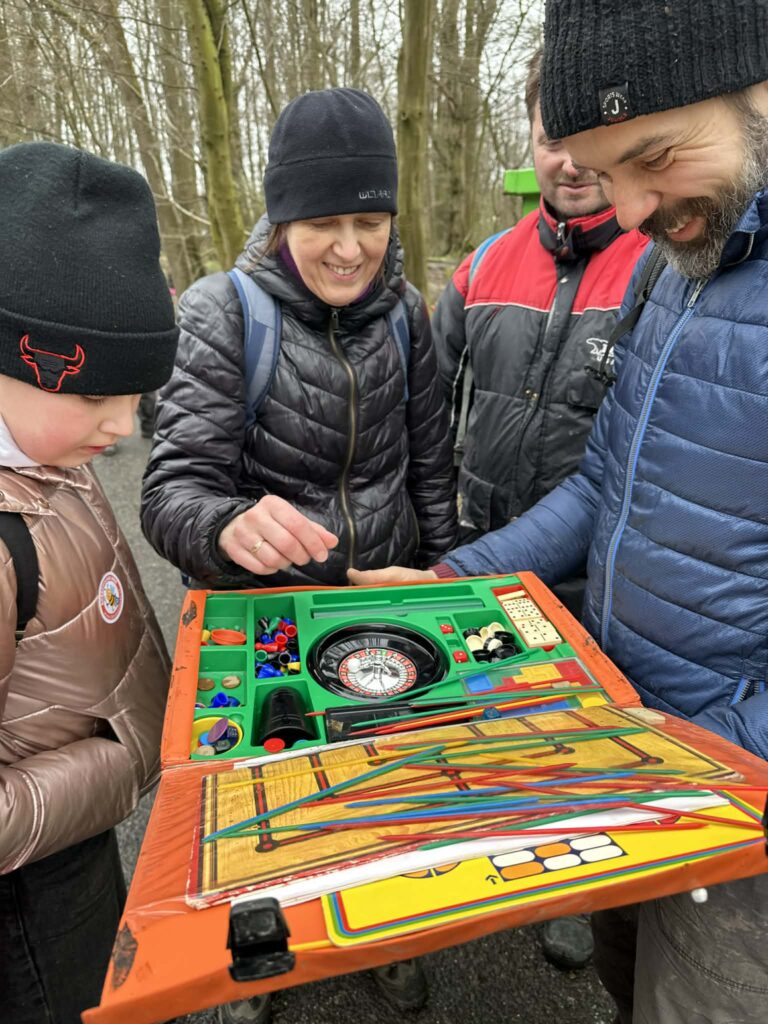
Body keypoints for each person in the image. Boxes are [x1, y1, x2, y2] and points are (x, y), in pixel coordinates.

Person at [350, 1, 768, 1020]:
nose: (631, 211)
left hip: (727, 805)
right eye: (604, 173)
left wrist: (719, 753)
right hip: (633, 753)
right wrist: (453, 583)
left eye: (652, 157)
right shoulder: (681, 264)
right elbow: (603, 486)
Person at [140, 87, 455, 1022]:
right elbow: (171, 493)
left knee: (380, 784)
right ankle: (257, 953)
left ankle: (381, 931)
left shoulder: (408, 314)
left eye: (370, 222)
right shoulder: (222, 313)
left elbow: (432, 465)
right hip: (261, 615)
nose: (350, 248)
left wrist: (445, 580)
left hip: (381, 603)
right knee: (261, 802)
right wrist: (223, 526)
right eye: (324, 223)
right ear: (282, 221)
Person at [431, 46, 648, 969]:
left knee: (576, 739)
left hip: (586, 574)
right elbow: (426, 410)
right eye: (553, 135)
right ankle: (483, 847)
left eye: (588, 136)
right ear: (529, 137)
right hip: (481, 548)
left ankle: (570, 883)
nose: (571, 159)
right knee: (485, 716)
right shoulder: (483, 265)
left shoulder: (660, 268)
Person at [0, 142, 179, 1024]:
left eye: (137, 395)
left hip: (75, 840)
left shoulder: (50, 451)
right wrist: (117, 762)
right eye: (95, 394)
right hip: (26, 893)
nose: (123, 426)